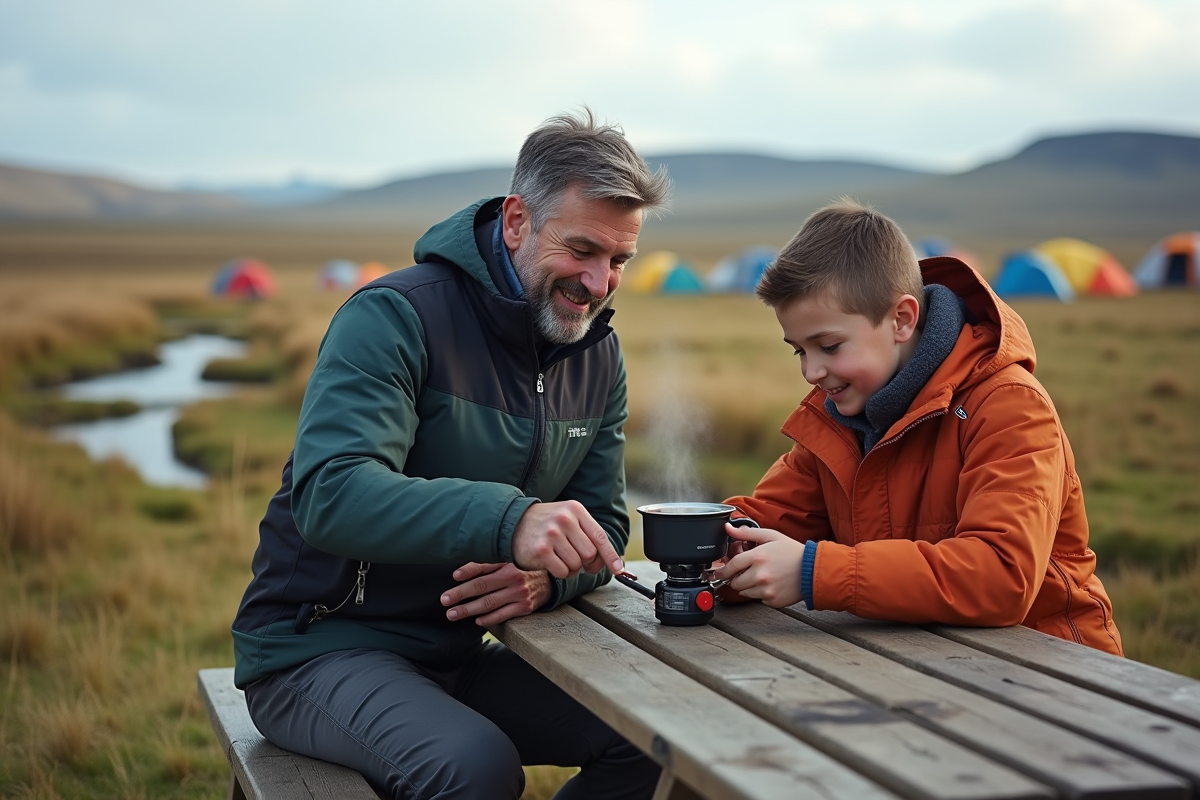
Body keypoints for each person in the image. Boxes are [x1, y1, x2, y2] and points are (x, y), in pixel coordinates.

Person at [231, 110, 670, 799]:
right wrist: (512, 521)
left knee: (653, 733)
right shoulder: (394, 316)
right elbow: (332, 493)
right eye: (582, 250)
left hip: (457, 653)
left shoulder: (596, 354)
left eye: (619, 261)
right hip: (316, 651)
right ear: (518, 221)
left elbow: (605, 529)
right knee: (474, 768)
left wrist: (546, 580)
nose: (599, 282)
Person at [711, 199, 1123, 655]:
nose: (811, 372)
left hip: (1055, 675)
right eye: (799, 351)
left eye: (828, 345)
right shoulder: (840, 416)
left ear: (902, 319)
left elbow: (1002, 576)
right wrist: (706, 544)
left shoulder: (1008, 406)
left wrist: (813, 572)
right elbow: (767, 523)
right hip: (918, 664)